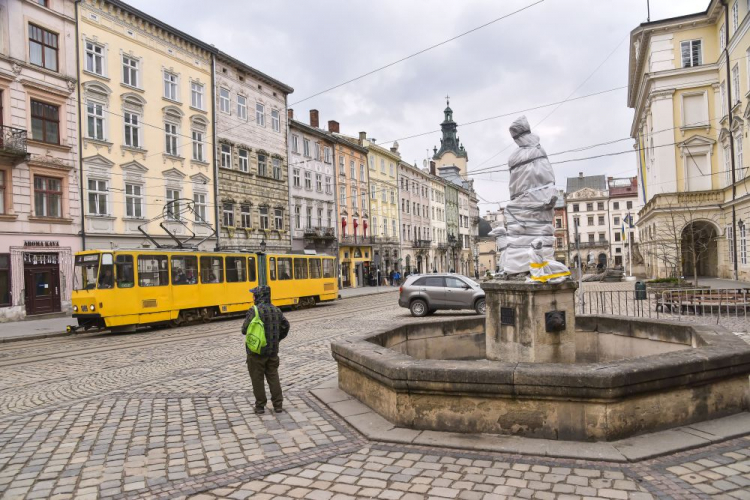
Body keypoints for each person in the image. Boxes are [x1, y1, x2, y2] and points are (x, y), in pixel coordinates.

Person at [242, 285, 289, 414]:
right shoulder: (276, 310)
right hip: (272, 352)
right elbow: (286, 326)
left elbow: (244, 330)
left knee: (257, 378)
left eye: (254, 295)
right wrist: (277, 339)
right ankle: (278, 405)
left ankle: (260, 406)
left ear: (259, 296)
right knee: (273, 376)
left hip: (256, 352)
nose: (253, 297)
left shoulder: (254, 311)